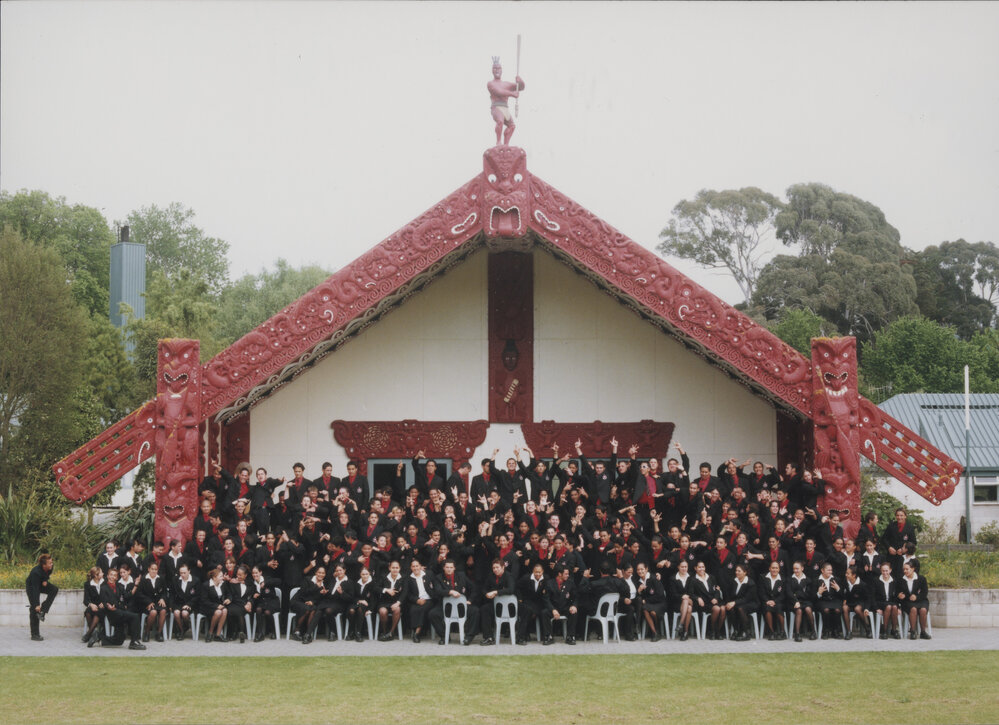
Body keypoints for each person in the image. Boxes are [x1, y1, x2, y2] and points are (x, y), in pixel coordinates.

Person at [88, 567, 145, 650]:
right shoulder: (103, 588)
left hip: (120, 611)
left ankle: (99, 636)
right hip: (112, 614)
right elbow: (103, 602)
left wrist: (136, 585)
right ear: (107, 576)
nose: (112, 577)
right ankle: (134, 642)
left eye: (115, 575)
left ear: (117, 577)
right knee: (135, 616)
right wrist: (108, 606)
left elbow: (127, 596)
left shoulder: (120, 586)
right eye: (111, 575)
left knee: (119, 641)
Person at [487, 55, 525, 146]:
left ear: (501, 70)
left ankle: (506, 144)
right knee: (500, 121)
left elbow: (521, 87)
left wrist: (520, 81)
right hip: (496, 107)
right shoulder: (490, 83)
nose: (497, 70)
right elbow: (499, 92)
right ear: (492, 70)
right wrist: (512, 94)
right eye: (495, 68)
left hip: (505, 108)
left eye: (499, 68)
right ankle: (498, 141)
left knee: (512, 126)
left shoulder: (506, 84)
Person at [25, 553, 58, 642]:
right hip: (32, 587)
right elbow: (35, 589)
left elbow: (47, 574)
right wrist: (36, 604)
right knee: (35, 609)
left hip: (41, 583)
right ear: (44, 565)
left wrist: (45, 580)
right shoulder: (35, 572)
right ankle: (35, 634)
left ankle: (43, 611)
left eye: (52, 562)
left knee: (54, 589)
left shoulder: (50, 567)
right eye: (50, 563)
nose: (52, 564)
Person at [134, 560, 169, 642]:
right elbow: (139, 594)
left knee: (163, 611)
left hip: (158, 602)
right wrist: (148, 602)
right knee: (153, 612)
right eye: (152, 569)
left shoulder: (161, 578)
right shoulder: (143, 579)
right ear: (148, 569)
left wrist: (162, 598)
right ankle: (146, 632)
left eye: (155, 569)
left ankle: (159, 633)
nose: (154, 571)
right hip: (145, 603)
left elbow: (165, 591)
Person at [898, 560, 931, 639]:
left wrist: (917, 597)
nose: (905, 571)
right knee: (913, 609)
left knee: (923, 610)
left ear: (913, 569)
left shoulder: (921, 579)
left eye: (907, 569)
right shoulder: (901, 579)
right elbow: (897, 592)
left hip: (921, 600)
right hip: (907, 602)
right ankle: (913, 631)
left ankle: (923, 632)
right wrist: (899, 595)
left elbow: (924, 592)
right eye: (904, 569)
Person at [787, 560, 816, 642]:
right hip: (793, 602)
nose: (795, 570)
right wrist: (795, 600)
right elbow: (789, 593)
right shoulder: (789, 579)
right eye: (794, 569)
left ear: (802, 568)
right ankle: (797, 634)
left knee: (808, 609)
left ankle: (813, 631)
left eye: (797, 568)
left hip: (806, 601)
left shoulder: (808, 580)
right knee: (799, 610)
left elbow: (809, 594)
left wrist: (797, 594)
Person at [377, 560, 406, 640]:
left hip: (397, 602)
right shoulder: (383, 576)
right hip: (384, 601)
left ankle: (391, 632)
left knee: (397, 609)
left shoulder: (403, 578)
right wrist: (386, 590)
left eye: (397, 568)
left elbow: (405, 592)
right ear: (389, 568)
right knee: (383, 611)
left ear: (399, 569)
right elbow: (376, 588)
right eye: (393, 567)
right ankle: (384, 631)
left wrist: (398, 603)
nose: (395, 569)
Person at [199, 566, 229, 643]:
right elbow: (204, 600)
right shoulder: (206, 585)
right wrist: (216, 606)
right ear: (214, 578)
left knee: (225, 610)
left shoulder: (223, 584)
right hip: (207, 607)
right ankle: (210, 632)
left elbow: (229, 594)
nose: (223, 578)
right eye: (221, 576)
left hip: (218, 606)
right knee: (218, 612)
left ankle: (218, 634)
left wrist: (228, 599)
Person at [759, 559, 786, 640]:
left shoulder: (783, 579)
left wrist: (775, 601)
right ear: (769, 568)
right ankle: (771, 632)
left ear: (779, 569)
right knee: (767, 609)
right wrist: (767, 601)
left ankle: (782, 632)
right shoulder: (763, 577)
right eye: (773, 568)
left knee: (779, 608)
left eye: (776, 568)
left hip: (779, 602)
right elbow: (761, 592)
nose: (774, 570)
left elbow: (783, 594)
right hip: (766, 601)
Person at [171, 563, 199, 640]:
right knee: (176, 613)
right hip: (178, 603)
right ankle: (182, 630)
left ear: (189, 571)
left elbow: (197, 596)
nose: (182, 575)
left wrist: (189, 604)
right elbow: (172, 594)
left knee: (184, 613)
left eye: (184, 573)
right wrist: (171, 605)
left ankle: (186, 626)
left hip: (190, 603)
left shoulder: (195, 580)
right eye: (181, 573)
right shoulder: (175, 579)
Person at [873, 561, 900, 639]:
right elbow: (872, 596)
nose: (885, 573)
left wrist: (899, 607)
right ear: (880, 571)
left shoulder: (894, 580)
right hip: (880, 602)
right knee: (888, 607)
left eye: (886, 570)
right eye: (883, 571)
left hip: (891, 602)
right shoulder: (876, 580)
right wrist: (876, 608)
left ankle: (894, 630)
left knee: (894, 607)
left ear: (890, 570)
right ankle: (884, 631)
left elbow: (897, 596)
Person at [82, 566, 104, 643]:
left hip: (103, 607)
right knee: (88, 612)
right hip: (93, 606)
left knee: (98, 612)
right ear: (96, 575)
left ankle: (89, 634)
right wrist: (91, 604)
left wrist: (104, 603)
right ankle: (94, 633)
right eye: (101, 572)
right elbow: (85, 600)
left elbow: (109, 595)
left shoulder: (105, 582)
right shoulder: (88, 584)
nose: (103, 573)